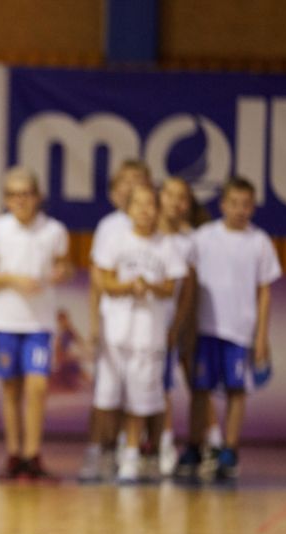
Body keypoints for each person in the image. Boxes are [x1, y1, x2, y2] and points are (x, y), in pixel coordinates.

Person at [175, 176, 280, 482]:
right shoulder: (203, 238)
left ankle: (229, 450)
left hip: (239, 331)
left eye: (246, 204)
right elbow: (188, 282)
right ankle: (195, 446)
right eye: (234, 203)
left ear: (253, 207)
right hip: (205, 328)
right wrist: (188, 326)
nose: (239, 210)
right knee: (200, 389)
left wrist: (261, 336)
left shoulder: (259, 242)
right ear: (222, 204)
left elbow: (264, 292)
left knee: (237, 390)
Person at [0, 166, 73, 482]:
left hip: (39, 322)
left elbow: (65, 267)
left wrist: (61, 273)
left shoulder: (53, 231)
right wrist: (13, 279)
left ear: (37, 196)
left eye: (26, 194)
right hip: (4, 319)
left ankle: (33, 454)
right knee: (11, 389)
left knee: (38, 386)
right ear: (6, 199)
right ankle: (14, 454)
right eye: (14, 195)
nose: (20, 200)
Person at [93, 184, 187, 483]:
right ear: (129, 208)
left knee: (140, 398)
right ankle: (108, 450)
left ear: (157, 209)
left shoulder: (167, 245)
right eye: (139, 204)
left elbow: (171, 287)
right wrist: (129, 286)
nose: (145, 210)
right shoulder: (115, 240)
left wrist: (150, 286)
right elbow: (105, 282)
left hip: (149, 334)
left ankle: (133, 454)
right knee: (109, 398)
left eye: (150, 205)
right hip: (117, 332)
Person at [77, 159, 152, 482]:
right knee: (105, 393)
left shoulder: (156, 228)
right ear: (114, 190)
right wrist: (94, 324)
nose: (132, 185)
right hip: (114, 323)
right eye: (126, 180)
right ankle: (99, 450)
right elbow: (98, 279)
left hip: (146, 326)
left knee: (140, 393)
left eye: (139, 179)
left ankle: (133, 450)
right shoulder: (109, 227)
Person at [155, 177, 200, 476]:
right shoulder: (146, 234)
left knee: (171, 385)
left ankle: (173, 444)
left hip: (174, 324)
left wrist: (181, 325)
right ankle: (136, 445)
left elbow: (188, 289)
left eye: (181, 197)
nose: (175, 202)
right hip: (142, 325)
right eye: (169, 195)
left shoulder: (189, 241)